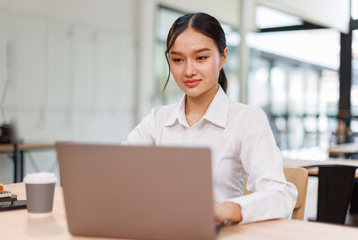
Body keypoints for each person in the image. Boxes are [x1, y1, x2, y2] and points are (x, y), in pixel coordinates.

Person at [125, 12, 297, 224]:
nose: (188, 71)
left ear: (223, 57)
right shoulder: (158, 119)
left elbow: (280, 195)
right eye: (178, 59)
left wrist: (224, 210)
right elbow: (120, 172)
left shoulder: (247, 120)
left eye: (201, 58)